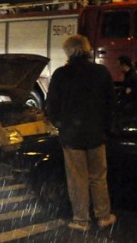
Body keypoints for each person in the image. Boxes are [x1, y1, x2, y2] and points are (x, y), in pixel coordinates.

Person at [46, 34, 117, 232]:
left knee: (77, 179)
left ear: (68, 51)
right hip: (96, 135)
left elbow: (51, 105)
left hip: (72, 136)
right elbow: (111, 104)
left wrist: (61, 123)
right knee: (98, 177)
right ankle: (103, 216)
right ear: (87, 49)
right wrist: (105, 127)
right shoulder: (101, 72)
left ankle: (81, 219)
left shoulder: (61, 74)